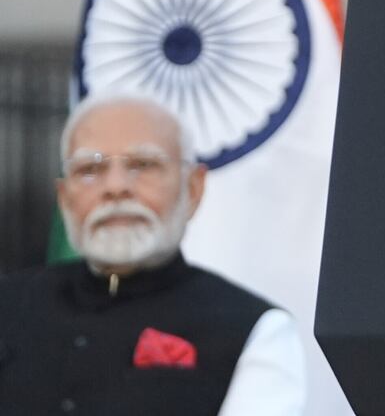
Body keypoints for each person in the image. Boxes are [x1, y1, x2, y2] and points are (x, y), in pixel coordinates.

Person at [0, 94, 305, 414]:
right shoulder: (9, 303)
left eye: (143, 165)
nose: (116, 186)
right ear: (64, 198)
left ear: (192, 189)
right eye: (90, 168)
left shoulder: (254, 330)